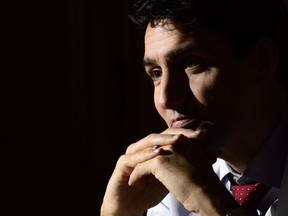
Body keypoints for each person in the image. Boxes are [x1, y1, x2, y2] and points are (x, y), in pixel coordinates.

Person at [101, 0, 288, 215]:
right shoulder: (166, 185)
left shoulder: (194, 188)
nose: (166, 99)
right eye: (156, 73)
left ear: (262, 62)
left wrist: (215, 205)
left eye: (191, 63)